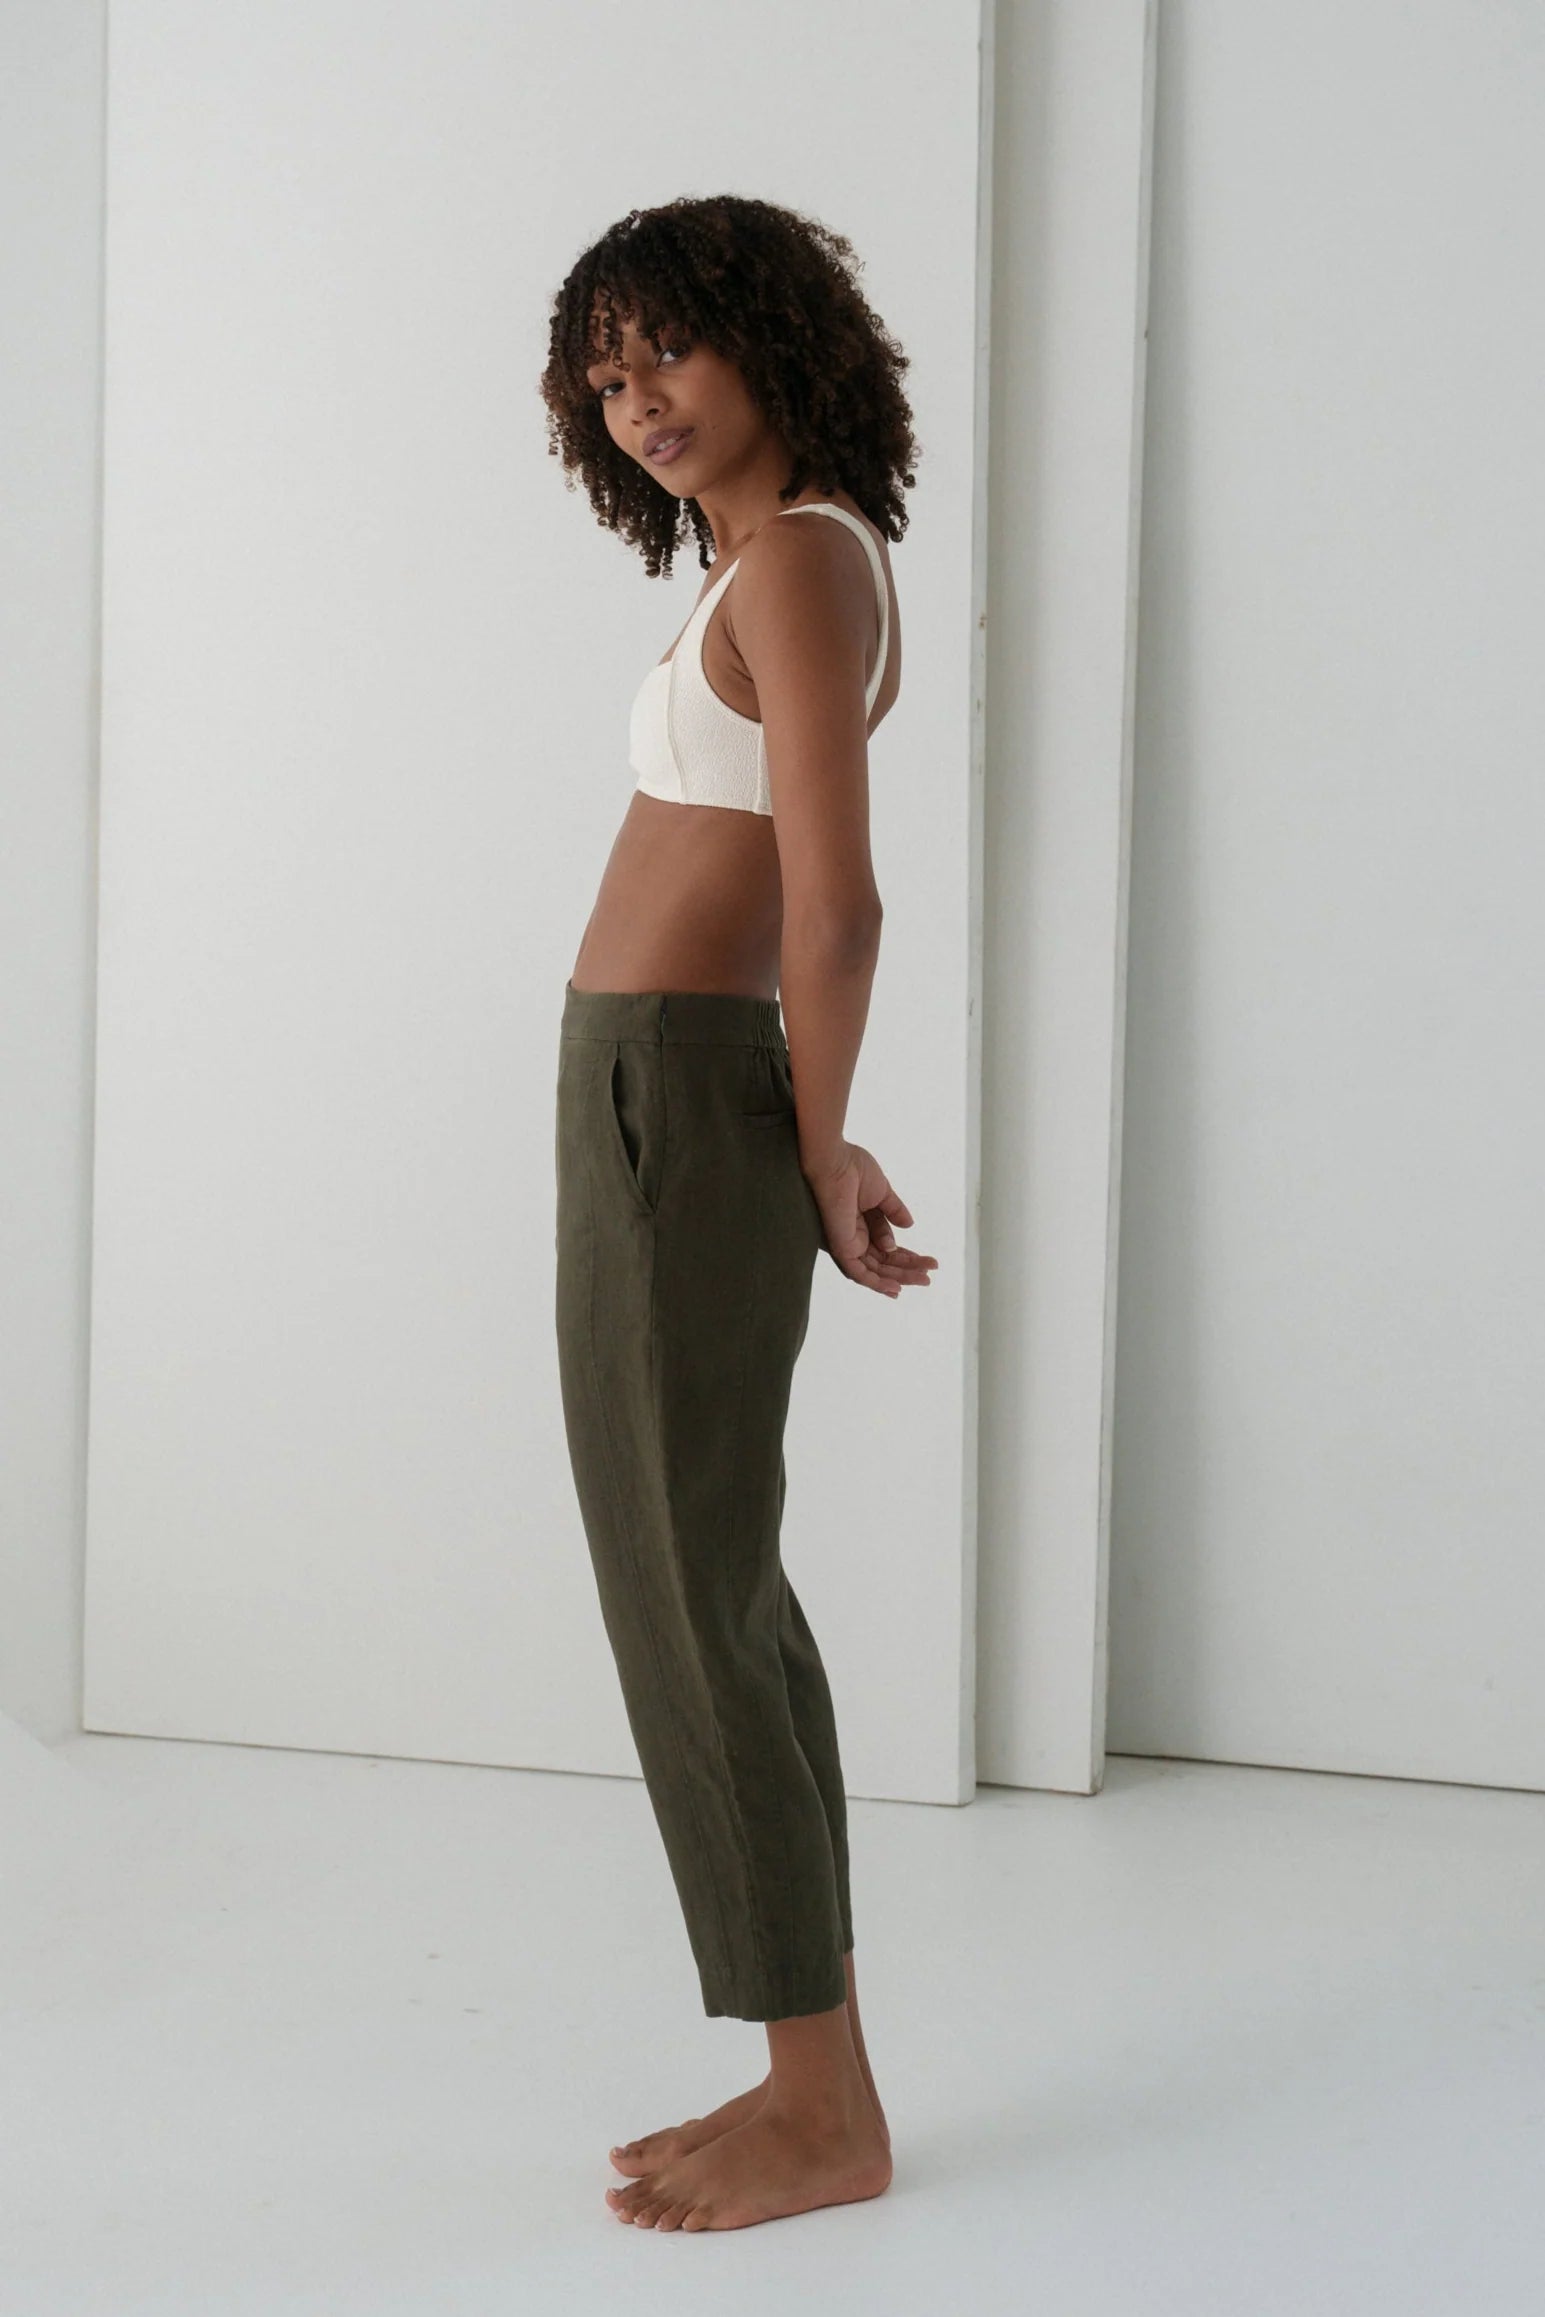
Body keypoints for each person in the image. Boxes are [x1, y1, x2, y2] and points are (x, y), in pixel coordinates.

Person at [540, 194, 938, 2234]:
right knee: (694, 1581)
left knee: (697, 1591)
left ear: (772, 336)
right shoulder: (763, 563)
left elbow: (834, 898)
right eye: (603, 377)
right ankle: (805, 2075)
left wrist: (807, 1139)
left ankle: (819, 2105)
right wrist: (809, 1129)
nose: (638, 402)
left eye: (667, 350)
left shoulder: (795, 562)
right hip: (660, 1092)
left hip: (683, 1102)